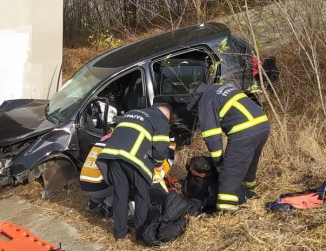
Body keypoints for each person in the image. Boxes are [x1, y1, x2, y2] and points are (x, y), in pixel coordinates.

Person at [187, 82, 270, 211]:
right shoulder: (218, 89)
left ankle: (226, 210)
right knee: (249, 165)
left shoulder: (205, 100)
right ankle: (248, 193)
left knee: (229, 174)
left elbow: (212, 136)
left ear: (195, 96)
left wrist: (218, 163)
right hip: (262, 125)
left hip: (244, 130)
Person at [97, 103, 171, 240]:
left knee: (120, 195)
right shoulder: (160, 119)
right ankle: (140, 235)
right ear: (166, 114)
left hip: (112, 156)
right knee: (142, 196)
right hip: (133, 160)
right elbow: (161, 149)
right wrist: (158, 164)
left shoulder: (132, 112)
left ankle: (120, 233)